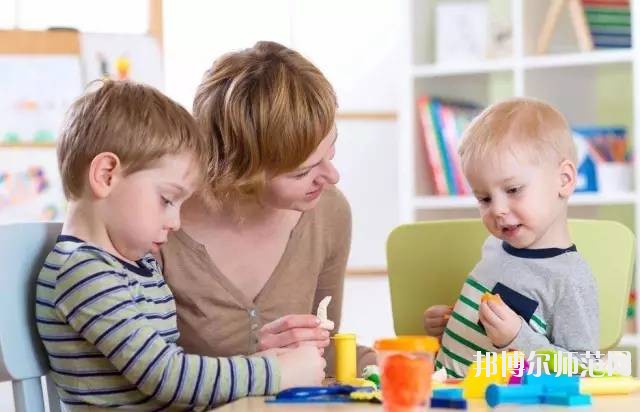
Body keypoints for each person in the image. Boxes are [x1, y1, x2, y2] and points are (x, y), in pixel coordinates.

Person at [35, 80, 325, 410]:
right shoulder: (82, 273)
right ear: (106, 175)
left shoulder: (135, 266)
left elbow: (173, 372)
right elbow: (168, 376)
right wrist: (274, 371)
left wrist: (260, 361)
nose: (175, 221)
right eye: (167, 199)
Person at [160, 41, 377, 373]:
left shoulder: (329, 213)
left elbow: (326, 351)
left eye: (330, 150)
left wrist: (402, 365)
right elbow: (150, 375)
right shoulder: (159, 226)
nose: (332, 177)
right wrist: (263, 369)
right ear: (240, 171)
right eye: (302, 171)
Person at [423, 98, 599, 378]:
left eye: (514, 189)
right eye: (484, 198)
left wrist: (517, 338)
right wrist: (454, 319)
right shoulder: (495, 247)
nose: (498, 210)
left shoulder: (570, 279)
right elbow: (480, 336)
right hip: (445, 392)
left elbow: (583, 368)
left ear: (564, 180)